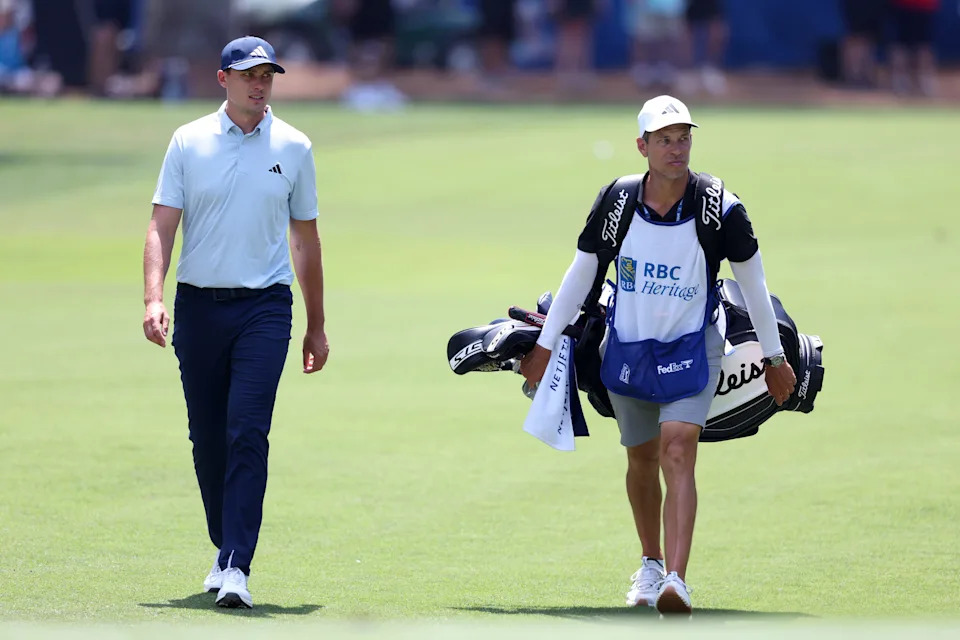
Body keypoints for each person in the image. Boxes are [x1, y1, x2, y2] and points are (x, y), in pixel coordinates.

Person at [519, 95, 796, 615]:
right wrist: (545, 342)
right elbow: (581, 273)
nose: (677, 148)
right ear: (642, 146)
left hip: (695, 346)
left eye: (684, 137)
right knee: (641, 460)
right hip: (628, 345)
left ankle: (676, 579)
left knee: (677, 451)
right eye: (665, 140)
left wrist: (775, 357)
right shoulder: (618, 201)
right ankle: (649, 565)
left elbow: (753, 281)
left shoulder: (720, 206)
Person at [142, 35, 329, 609]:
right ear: (223, 78)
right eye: (248, 74)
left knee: (247, 430)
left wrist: (316, 324)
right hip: (198, 307)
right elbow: (161, 226)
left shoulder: (294, 146)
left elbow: (305, 240)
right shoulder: (188, 141)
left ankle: (236, 566)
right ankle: (225, 548)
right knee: (208, 440)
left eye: (267, 75)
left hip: (264, 309)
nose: (259, 83)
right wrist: (154, 297)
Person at [889, 0, 940, 96]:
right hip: (903, 5)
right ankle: (900, 80)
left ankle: (924, 81)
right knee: (901, 45)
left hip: (925, 6)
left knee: (924, 45)